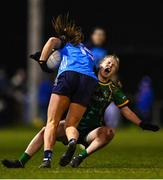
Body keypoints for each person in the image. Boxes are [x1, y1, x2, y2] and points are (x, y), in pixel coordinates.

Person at [2, 55, 159, 168]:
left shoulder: (113, 89)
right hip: (73, 123)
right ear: (101, 63)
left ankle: (79, 158)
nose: (110, 66)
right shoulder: (85, 77)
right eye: (109, 62)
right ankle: (21, 162)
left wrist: (141, 124)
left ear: (113, 72)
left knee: (109, 132)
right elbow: (67, 68)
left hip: (91, 130)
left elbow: (125, 110)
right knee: (45, 130)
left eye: (114, 66)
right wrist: (45, 61)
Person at [31, 14, 98, 168]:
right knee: (70, 124)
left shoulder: (65, 44)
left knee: (52, 121)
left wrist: (42, 61)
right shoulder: (88, 52)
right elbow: (94, 70)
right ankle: (73, 141)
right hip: (89, 80)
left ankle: (47, 159)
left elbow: (51, 41)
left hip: (70, 75)